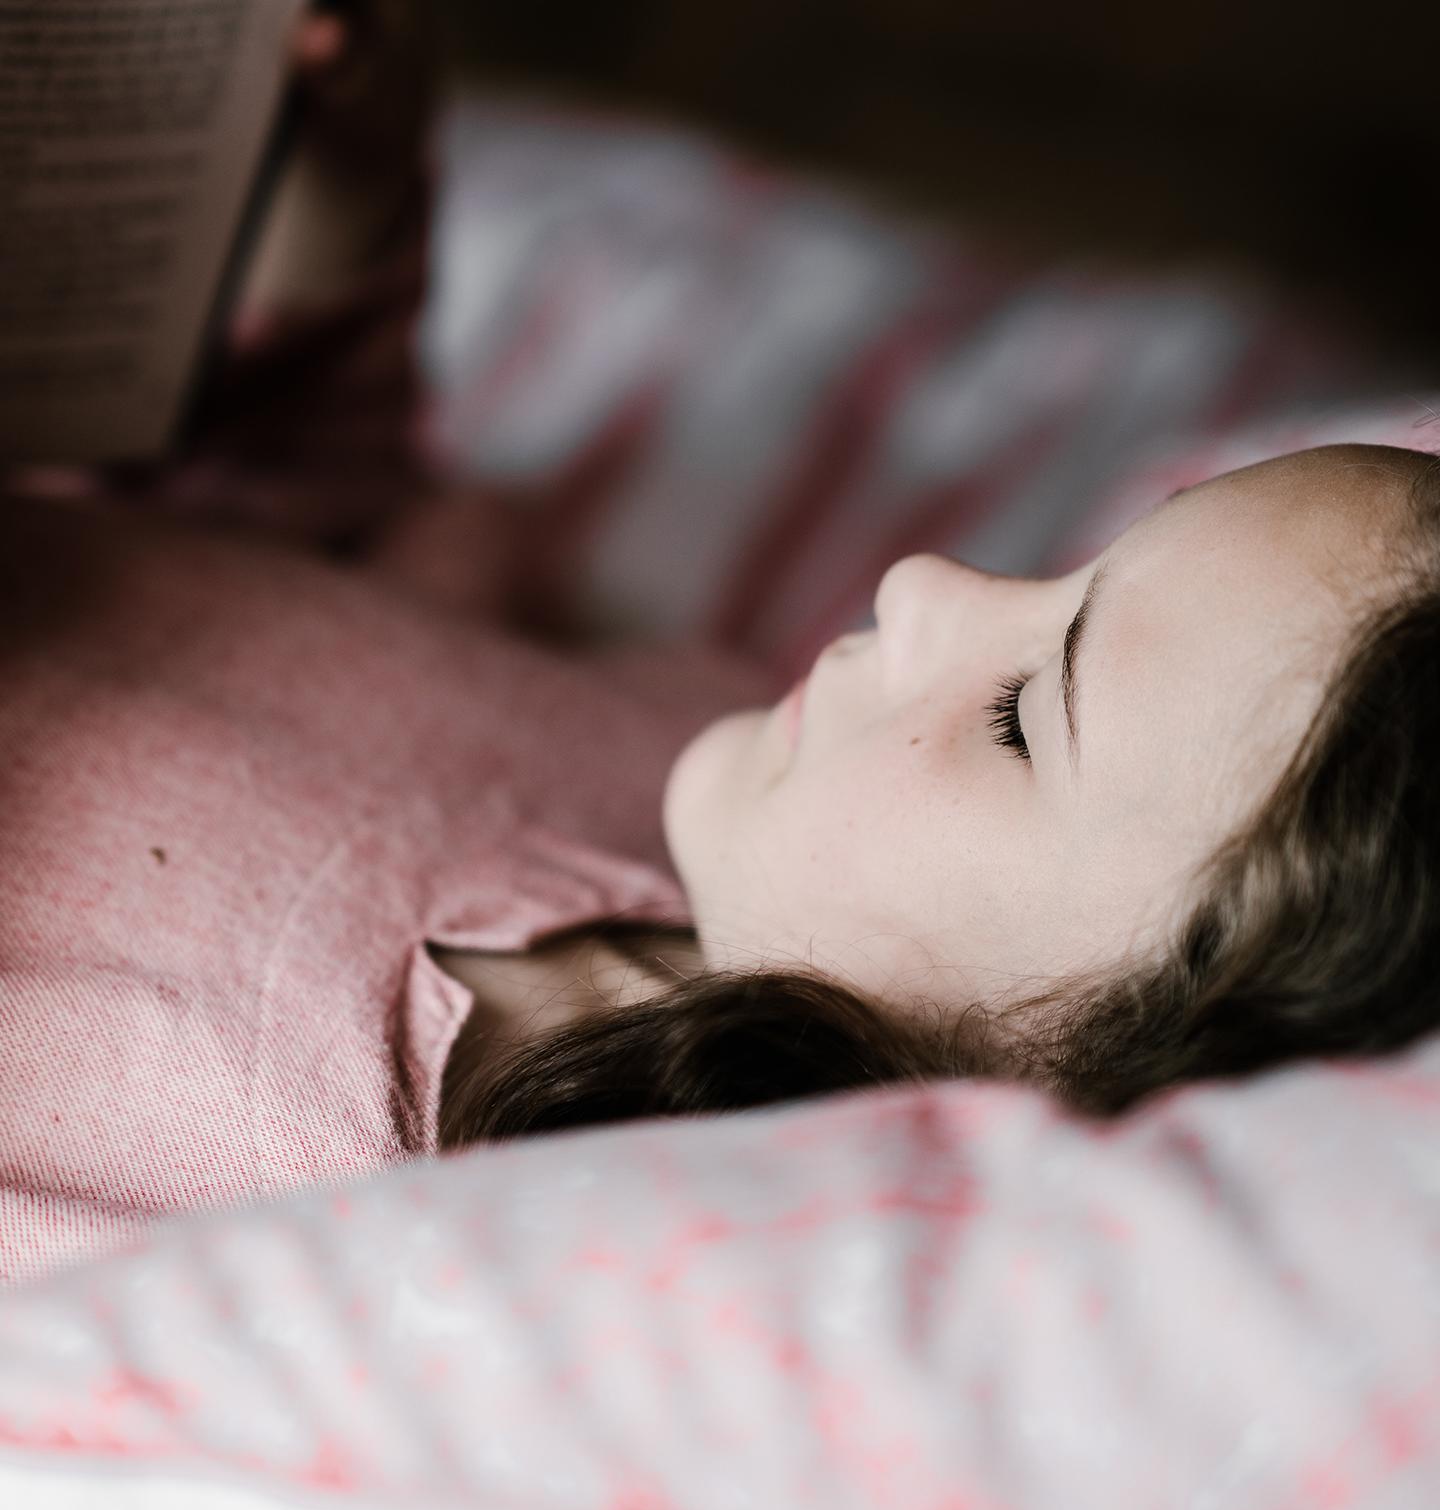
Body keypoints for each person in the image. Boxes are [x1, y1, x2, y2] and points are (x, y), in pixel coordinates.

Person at [1, 7, 1437, 1287]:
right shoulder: (695, 779)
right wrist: (314, 215)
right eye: (1066, 572)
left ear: (1088, 1103)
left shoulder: (346, 1257)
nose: (930, 582)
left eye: (1018, 714)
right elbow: (287, 540)